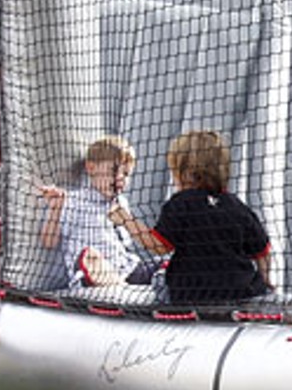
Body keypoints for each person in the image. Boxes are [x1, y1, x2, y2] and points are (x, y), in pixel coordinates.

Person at [156, 129, 272, 304]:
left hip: (190, 293)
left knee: (158, 276)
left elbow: (159, 246)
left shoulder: (180, 204)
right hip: (241, 291)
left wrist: (128, 222)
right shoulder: (237, 207)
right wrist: (266, 280)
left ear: (185, 173)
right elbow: (262, 252)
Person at [38, 134, 167, 288]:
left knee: (167, 263)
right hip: (97, 269)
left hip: (128, 269)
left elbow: (126, 243)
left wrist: (124, 221)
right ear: (91, 168)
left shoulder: (121, 203)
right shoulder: (73, 201)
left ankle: (144, 281)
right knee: (90, 257)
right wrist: (56, 209)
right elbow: (49, 242)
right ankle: (118, 286)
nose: (120, 178)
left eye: (126, 174)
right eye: (113, 170)